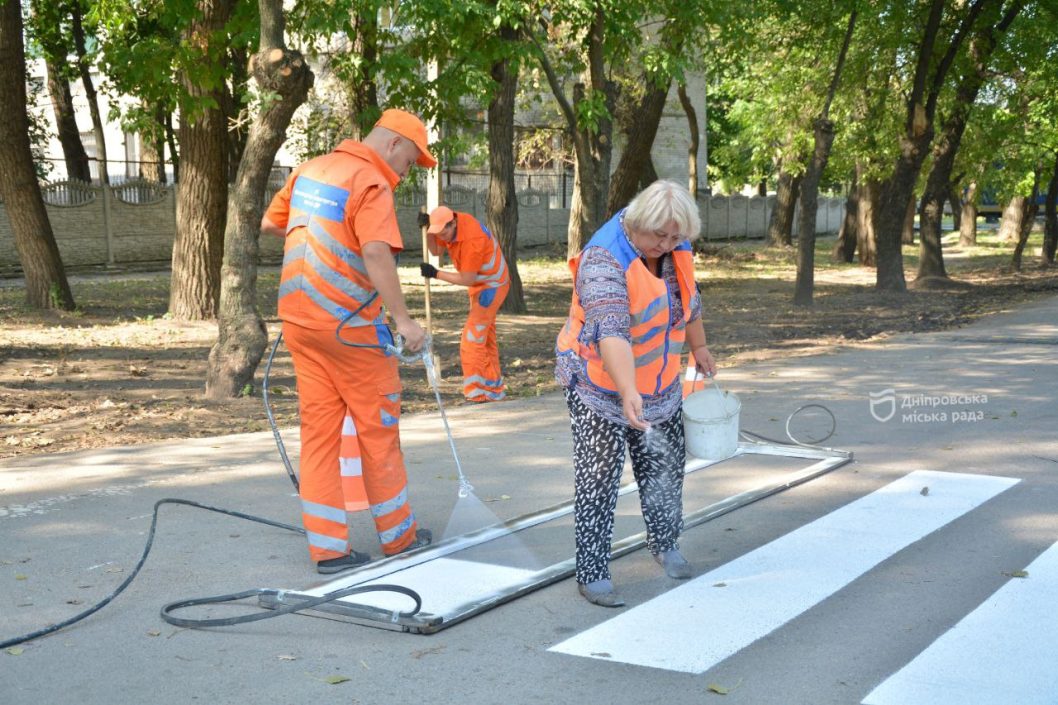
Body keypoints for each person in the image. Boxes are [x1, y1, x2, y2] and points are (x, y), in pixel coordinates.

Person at [261, 108, 434, 574]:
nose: (405, 172)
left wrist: (320, 243)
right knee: (378, 432)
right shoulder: (370, 182)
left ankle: (329, 550)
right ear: (393, 144)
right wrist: (405, 321)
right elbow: (376, 252)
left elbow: (273, 223)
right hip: (350, 332)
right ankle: (400, 539)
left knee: (319, 437)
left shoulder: (310, 169)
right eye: (410, 161)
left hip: (300, 323)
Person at [554, 180, 717, 607]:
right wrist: (627, 390)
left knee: (665, 465)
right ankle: (592, 572)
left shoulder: (675, 246)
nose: (666, 245)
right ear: (638, 223)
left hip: (659, 384)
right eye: (658, 236)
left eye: (675, 237)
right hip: (599, 386)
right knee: (599, 477)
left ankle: (666, 544)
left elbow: (690, 300)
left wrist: (699, 347)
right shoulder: (604, 258)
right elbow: (611, 332)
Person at [420, 206, 510, 402]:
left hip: (491, 286)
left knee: (472, 339)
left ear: (453, 223)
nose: (441, 237)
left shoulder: (472, 239)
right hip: (481, 285)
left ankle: (477, 391)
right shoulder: (452, 228)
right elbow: (435, 250)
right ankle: (493, 390)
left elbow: (467, 278)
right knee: (485, 339)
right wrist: (427, 231)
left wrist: (436, 273)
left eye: (443, 232)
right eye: (437, 233)